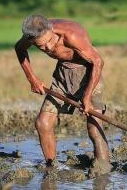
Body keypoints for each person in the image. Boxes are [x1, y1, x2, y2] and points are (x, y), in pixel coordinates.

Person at [14, 15, 111, 173]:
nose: (47, 48)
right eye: (40, 46)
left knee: (94, 125)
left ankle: (103, 169)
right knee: (42, 123)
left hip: (89, 72)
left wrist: (86, 97)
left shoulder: (71, 35)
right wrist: (32, 78)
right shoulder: (31, 36)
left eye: (49, 41)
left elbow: (98, 62)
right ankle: (52, 168)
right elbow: (19, 48)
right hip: (63, 74)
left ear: (52, 30)